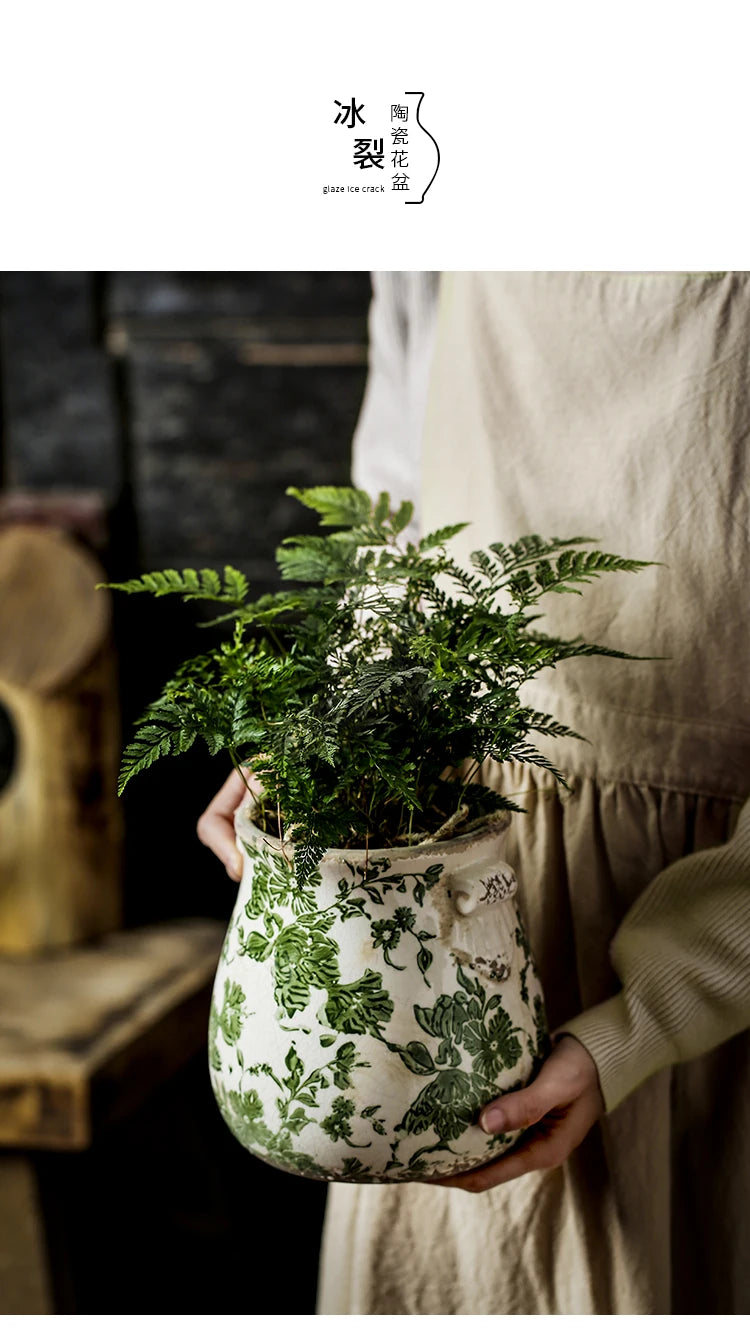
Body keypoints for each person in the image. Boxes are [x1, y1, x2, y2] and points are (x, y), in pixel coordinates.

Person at [197, 271, 750, 1315]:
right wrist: (336, 727)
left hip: (713, 948)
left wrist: (648, 1019)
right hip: (436, 919)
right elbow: (398, 495)